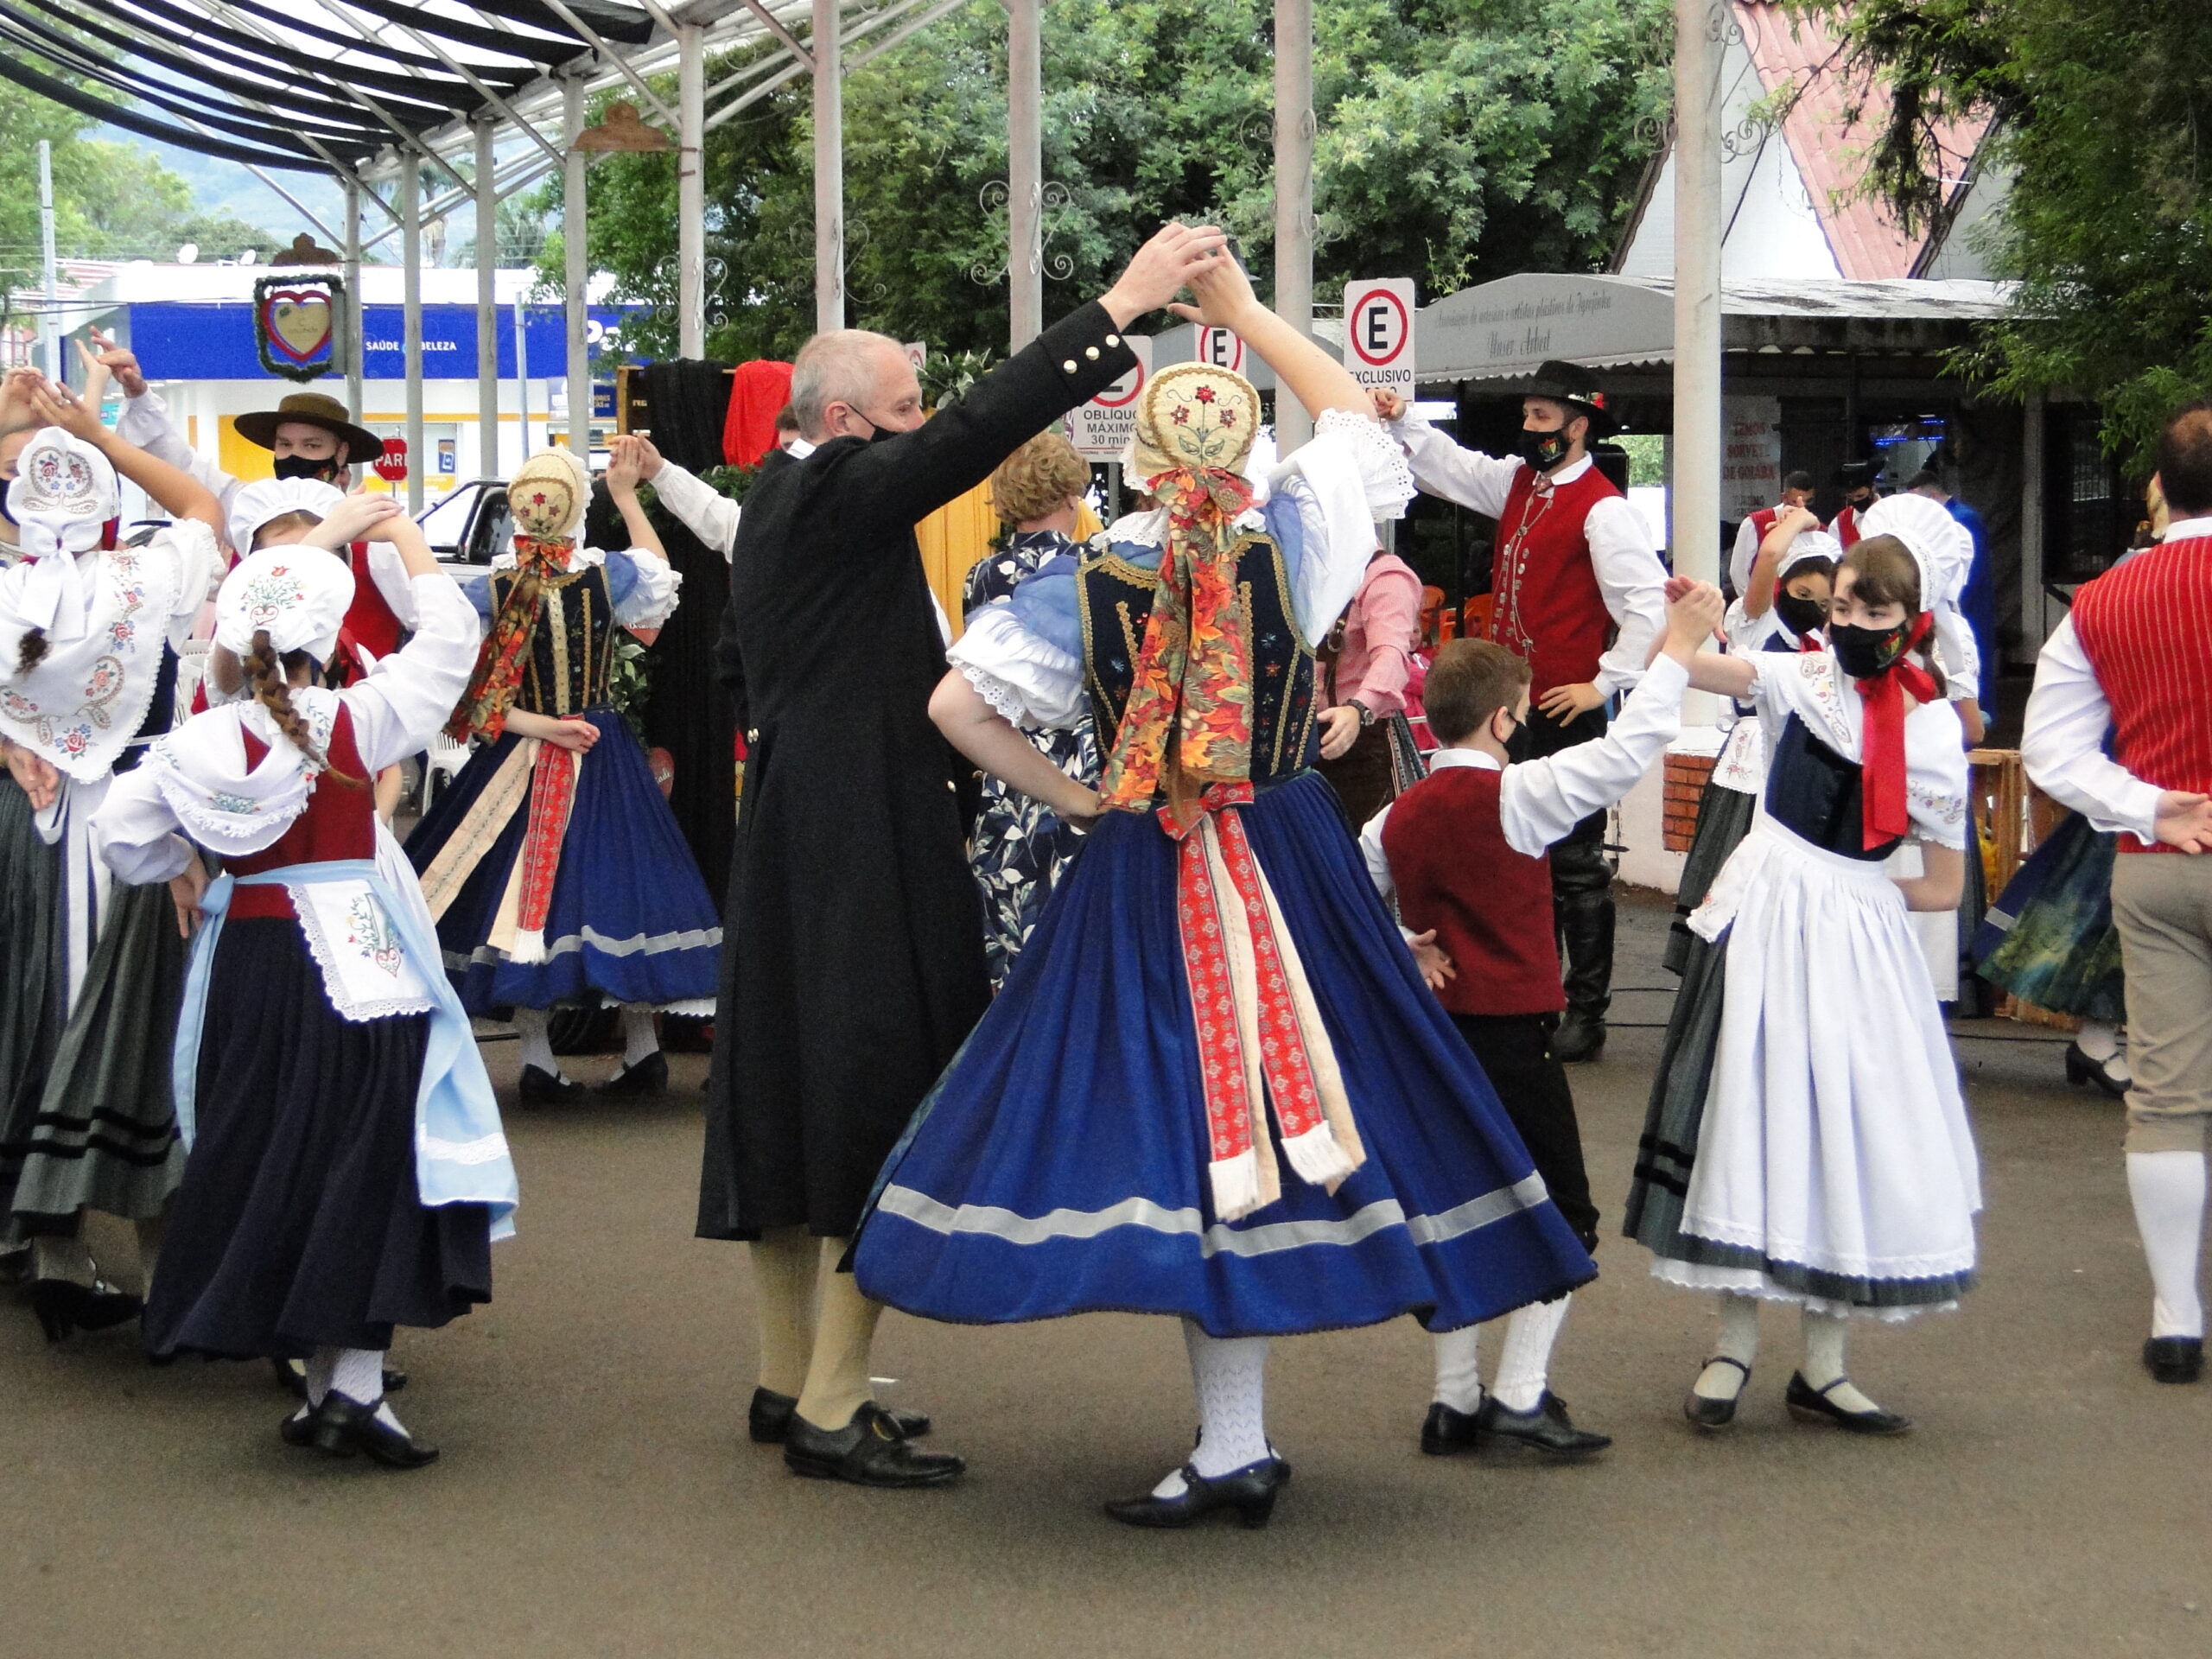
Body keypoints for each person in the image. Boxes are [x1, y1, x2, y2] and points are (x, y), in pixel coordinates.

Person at [851, 252, 1597, 1529]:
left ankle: (1235, 1445)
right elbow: (1363, 422)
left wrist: (1079, 798)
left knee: (1185, 1135)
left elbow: (953, 707)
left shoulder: (1080, 581)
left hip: (1148, 860)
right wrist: (1249, 316)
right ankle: (1241, 1439)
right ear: (1247, 452)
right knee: (1308, 1103)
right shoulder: (1294, 538)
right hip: (1287, 846)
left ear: (1134, 464)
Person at [695, 222, 1229, 1493]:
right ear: (846, 418)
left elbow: (735, 667)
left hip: (791, 817)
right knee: (875, 1093)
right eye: (901, 405)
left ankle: (787, 1382)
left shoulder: (773, 506)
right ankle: (831, 1404)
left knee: (786, 1096)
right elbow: (971, 434)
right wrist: (1123, 305)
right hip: (862, 824)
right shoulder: (830, 485)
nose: (922, 419)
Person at [95, 543, 516, 1465]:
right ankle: (352, 1386)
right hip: (361, 958)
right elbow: (451, 639)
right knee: (371, 1162)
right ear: (322, 642)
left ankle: (328, 1383)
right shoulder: (357, 716)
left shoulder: (196, 741)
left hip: (249, 956)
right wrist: (406, 547)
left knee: (273, 1150)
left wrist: (196, 864)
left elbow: (120, 838)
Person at [1624, 536, 1982, 1436]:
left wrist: (1855, 896)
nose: (1855, 625)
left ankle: (1822, 1367)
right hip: (1772, 914)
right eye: (1845, 609)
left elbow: (1941, 886)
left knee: (1844, 1129)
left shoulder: (1935, 727)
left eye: (1875, 612)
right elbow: (1683, 666)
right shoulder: (1799, 680)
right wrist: (1682, 621)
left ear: (1913, 620)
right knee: (1752, 1111)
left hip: (1857, 935)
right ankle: (1731, 1348)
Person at [1359, 581, 1722, 1463]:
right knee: (1561, 1210)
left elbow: (1341, 904)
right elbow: (1633, 745)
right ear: (1499, 720)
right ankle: (1518, 1393)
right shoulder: (1523, 795)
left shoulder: (1391, 818)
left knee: (1453, 1209)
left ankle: (1451, 1401)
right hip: (1511, 1039)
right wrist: (1674, 645)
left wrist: (1408, 940)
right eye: (1518, 711)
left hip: (1431, 1046)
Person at [0, 395, 223, 1339]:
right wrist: (99, 437)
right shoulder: (146, 573)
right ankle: (167, 1244)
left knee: (35, 1004)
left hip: (33, 822)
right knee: (147, 1022)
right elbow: (204, 510)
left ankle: (47, 1234)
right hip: (142, 825)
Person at [405, 445, 717, 1103]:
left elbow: (467, 693)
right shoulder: (607, 579)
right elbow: (660, 572)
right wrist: (628, 496)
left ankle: (539, 1057)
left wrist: (539, 725)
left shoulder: (489, 589)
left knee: (521, 898)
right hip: (598, 746)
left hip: (519, 753)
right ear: (577, 511)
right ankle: (643, 1049)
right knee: (619, 885)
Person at [1375, 366, 1667, 1063]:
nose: (1531, 429)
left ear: (1579, 426)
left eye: (1543, 418)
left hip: (1564, 704)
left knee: (1574, 862)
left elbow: (1650, 606)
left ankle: (1587, 1010)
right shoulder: (1518, 486)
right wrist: (1404, 418)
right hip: (1511, 708)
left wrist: (1604, 684)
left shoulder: (1603, 509)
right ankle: (1538, 994)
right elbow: (1452, 466)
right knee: (1515, 852)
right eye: (1529, 417)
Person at [2018, 398, 2212, 1387]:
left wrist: (2152, 803)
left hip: (2157, 862)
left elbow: (2050, 749)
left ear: (2157, 491)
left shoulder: (2104, 598)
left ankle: (2177, 1315)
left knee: (2171, 1100)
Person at [1662, 512, 1838, 974]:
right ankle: (1716, 964)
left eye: (1824, 602)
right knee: (1730, 858)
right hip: (1749, 757)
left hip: (1796, 763)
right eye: (1803, 594)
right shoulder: (1756, 622)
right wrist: (1799, 519)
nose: (1813, 608)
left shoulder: (1824, 642)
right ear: (1782, 588)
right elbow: (1771, 557)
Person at [965, 430, 1103, 989]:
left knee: (1016, 934)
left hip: (1008, 766)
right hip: (1081, 764)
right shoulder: (1096, 567)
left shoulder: (982, 575)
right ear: (1070, 493)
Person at [1313, 543, 1426, 830]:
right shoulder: (1306, 563)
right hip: (1300, 739)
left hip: (1362, 740)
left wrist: (1359, 708)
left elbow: (1392, 654)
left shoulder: (1385, 576)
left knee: (1363, 849)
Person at [1909, 467, 1998, 717]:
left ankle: (1980, 714)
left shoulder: (1962, 518)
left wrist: (1952, 600)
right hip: (1950, 600)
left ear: (1933, 495)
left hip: (1968, 603)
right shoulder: (1948, 517)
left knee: (1973, 660)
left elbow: (1972, 569)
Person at [1727, 469, 1817, 597]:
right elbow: (1738, 572)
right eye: (1795, 502)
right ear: (1784, 498)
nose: (1802, 507)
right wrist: (1754, 605)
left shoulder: (1821, 531)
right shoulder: (1754, 524)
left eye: (1809, 502)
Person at [1830, 460, 1881, 550]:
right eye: (1850, 497)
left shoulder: (1891, 514)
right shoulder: (1840, 522)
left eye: (1860, 496)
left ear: (1872, 489)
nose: (1855, 500)